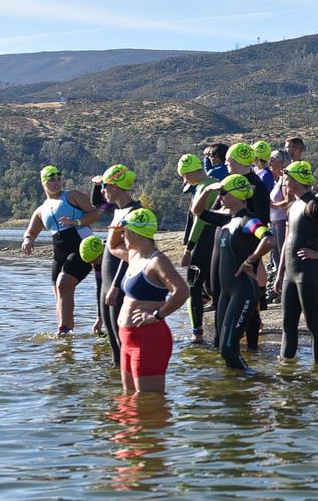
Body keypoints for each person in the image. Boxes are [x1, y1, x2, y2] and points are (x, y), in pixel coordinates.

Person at [105, 207, 189, 395]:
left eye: (125, 230)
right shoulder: (133, 255)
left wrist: (158, 315)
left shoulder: (156, 261)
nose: (123, 234)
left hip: (148, 338)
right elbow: (112, 247)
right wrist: (117, 223)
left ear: (135, 233)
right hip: (127, 337)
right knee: (128, 396)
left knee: (149, 401)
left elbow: (182, 291)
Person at [197, 172, 275, 371]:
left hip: (243, 290)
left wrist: (251, 259)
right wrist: (207, 190)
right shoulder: (227, 219)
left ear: (238, 195)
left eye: (224, 192)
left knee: (229, 349)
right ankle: (237, 393)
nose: (220, 196)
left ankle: (253, 380)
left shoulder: (246, 220)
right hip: (225, 293)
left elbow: (268, 239)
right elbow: (198, 212)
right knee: (221, 346)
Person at [20, 165, 101, 335]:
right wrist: (28, 240)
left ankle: (63, 331)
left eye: (58, 179)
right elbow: (31, 231)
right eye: (51, 179)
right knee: (58, 291)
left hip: (82, 246)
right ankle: (66, 331)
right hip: (60, 254)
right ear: (43, 182)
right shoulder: (41, 210)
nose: (56, 182)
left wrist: (77, 222)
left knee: (64, 284)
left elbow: (95, 214)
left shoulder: (72, 196)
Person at [275, 160, 318, 361]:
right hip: (290, 275)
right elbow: (287, 241)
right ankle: (285, 367)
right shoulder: (293, 206)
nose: (284, 182)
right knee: (287, 324)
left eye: (286, 179)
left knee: (313, 324)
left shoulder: (313, 203)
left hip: (308, 272)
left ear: (296, 180)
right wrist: (279, 274)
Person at [90, 164, 140, 366]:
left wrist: (116, 286)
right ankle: (116, 388)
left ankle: (131, 386)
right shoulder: (117, 210)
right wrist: (97, 183)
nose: (103, 191)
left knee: (122, 342)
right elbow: (96, 202)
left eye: (105, 187)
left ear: (117, 187)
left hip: (118, 285)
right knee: (113, 344)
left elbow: (130, 255)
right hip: (107, 285)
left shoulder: (134, 213)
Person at [175, 154, 218, 345]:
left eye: (184, 176)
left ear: (190, 173)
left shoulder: (203, 188)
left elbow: (200, 221)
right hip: (219, 243)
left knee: (193, 288)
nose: (184, 181)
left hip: (203, 243)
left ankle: (196, 333)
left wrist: (188, 249)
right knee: (215, 287)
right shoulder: (216, 183)